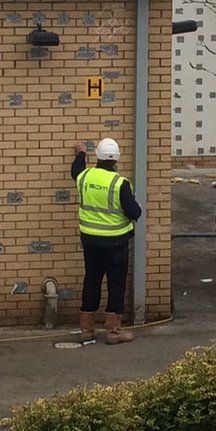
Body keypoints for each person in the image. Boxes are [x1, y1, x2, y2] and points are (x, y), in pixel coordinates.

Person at [71, 138, 142, 345]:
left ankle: (86, 330)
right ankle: (113, 332)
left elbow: (76, 169)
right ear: (117, 159)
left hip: (90, 241)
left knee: (91, 280)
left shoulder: (84, 177)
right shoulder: (120, 184)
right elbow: (134, 212)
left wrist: (81, 152)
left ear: (98, 157)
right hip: (116, 243)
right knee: (116, 284)